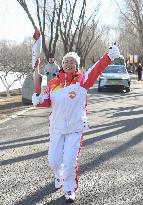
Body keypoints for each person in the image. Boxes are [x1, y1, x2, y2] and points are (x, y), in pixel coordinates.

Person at [32, 45, 120, 203]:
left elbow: (96, 68)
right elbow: (45, 102)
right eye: (66, 61)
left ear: (76, 66)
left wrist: (109, 56)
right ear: (62, 64)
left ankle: (69, 189)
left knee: (70, 162)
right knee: (53, 160)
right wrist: (38, 99)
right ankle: (58, 176)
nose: (68, 64)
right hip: (57, 128)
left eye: (72, 62)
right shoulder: (52, 84)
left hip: (75, 128)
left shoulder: (82, 81)